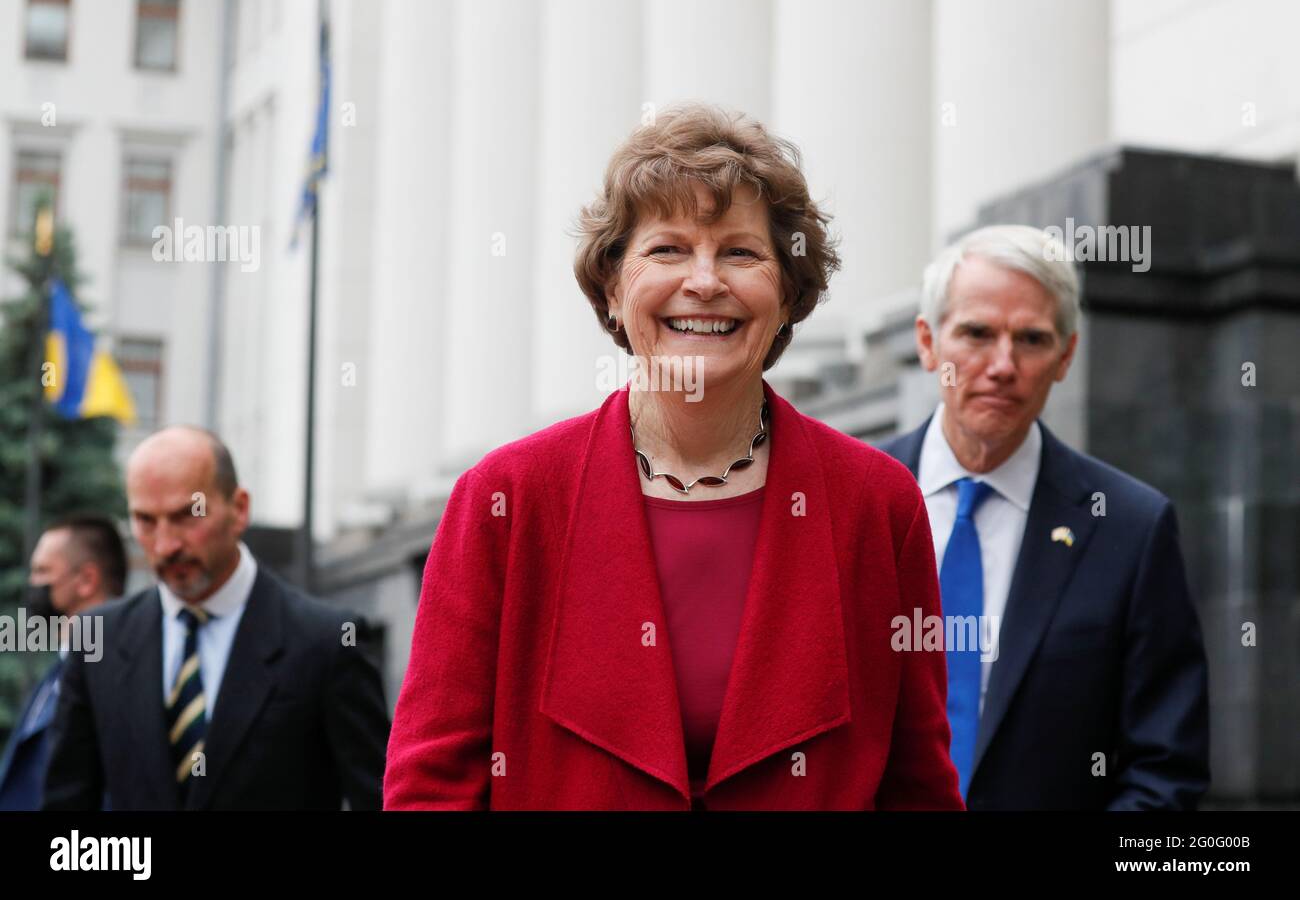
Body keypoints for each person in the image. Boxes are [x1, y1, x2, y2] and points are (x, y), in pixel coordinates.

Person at [384, 104, 963, 810]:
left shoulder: (876, 503)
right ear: (612, 287)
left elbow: (918, 787)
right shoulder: (506, 499)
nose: (705, 281)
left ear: (789, 293)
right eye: (667, 250)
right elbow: (431, 787)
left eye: (742, 252)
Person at [878, 224, 1210, 809]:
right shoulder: (844, 501)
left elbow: (1165, 769)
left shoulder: (1129, 528)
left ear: (1065, 357)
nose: (1003, 365)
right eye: (977, 333)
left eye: (1031, 339)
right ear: (928, 343)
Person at [43, 426, 390, 810]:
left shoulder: (327, 642)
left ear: (239, 509)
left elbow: (377, 798)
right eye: (145, 520)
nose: (165, 545)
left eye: (186, 516)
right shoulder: (98, 641)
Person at [0, 516, 125, 810]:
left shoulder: (116, 677)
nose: (33, 584)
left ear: (86, 580)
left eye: (43, 571)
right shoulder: (63, 665)